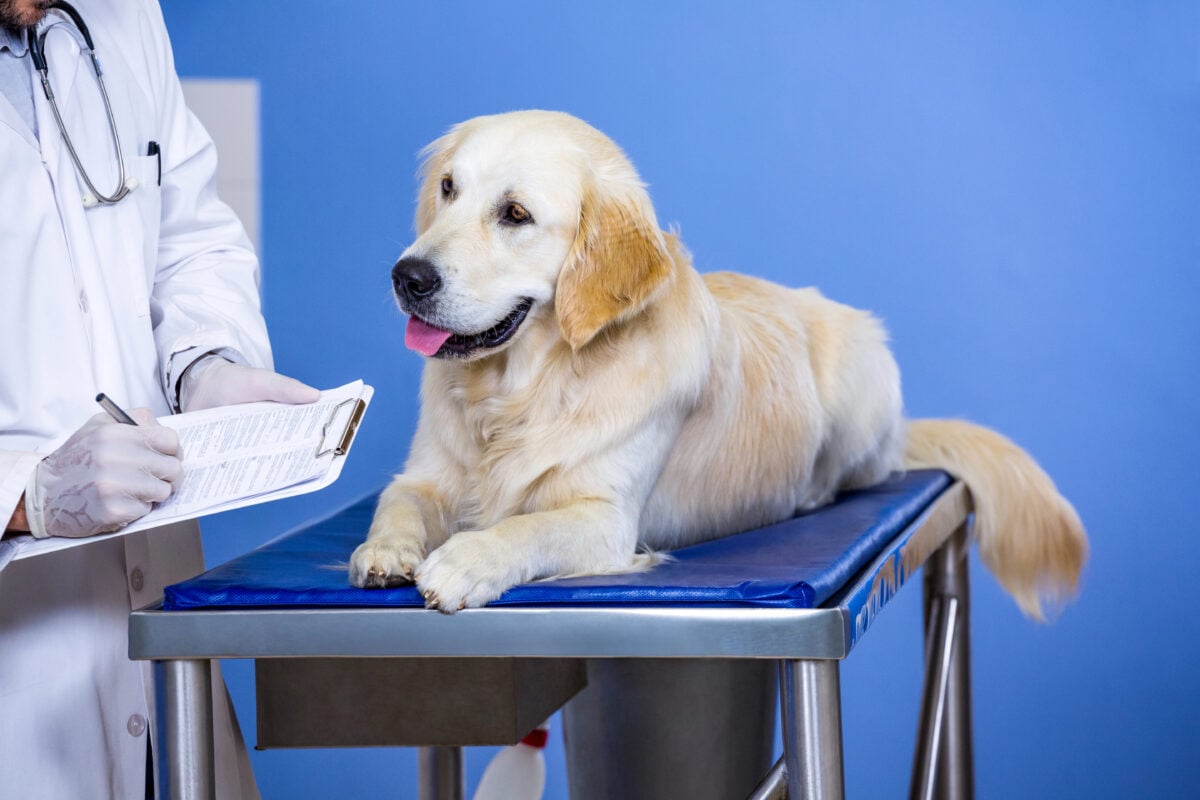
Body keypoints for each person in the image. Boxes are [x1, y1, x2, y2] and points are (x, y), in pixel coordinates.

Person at [0, 0, 319, 796]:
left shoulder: (120, 13)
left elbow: (190, 237)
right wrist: (25, 496)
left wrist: (204, 365)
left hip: (160, 667)